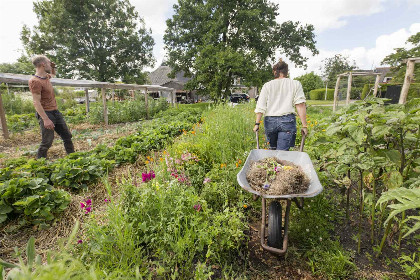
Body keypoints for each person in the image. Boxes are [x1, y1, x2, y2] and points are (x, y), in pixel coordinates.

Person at [253, 59, 308, 150]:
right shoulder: (295, 84)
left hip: (270, 121)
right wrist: (304, 126)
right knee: (283, 152)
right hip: (287, 121)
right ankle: (280, 163)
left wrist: (257, 124)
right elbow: (300, 105)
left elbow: (260, 106)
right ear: (286, 72)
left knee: (273, 149)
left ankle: (274, 163)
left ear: (275, 72)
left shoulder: (267, 85)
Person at [28, 55, 74, 158]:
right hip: (46, 113)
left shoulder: (46, 77)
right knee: (47, 142)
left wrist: (53, 67)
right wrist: (46, 119)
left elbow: (53, 74)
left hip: (55, 112)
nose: (50, 64)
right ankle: (40, 163)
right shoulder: (35, 81)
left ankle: (72, 157)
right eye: (49, 63)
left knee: (67, 136)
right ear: (43, 65)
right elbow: (36, 102)